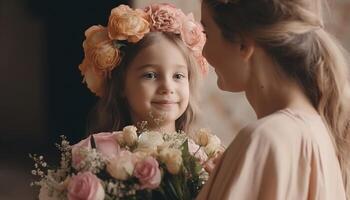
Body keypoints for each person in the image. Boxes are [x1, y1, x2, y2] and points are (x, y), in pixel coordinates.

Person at [197, 0, 350, 199]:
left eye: (206, 33)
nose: (203, 51)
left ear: (244, 44)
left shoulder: (265, 140)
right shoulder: (320, 132)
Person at [77, 3, 208, 135]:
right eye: (150, 75)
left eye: (178, 76)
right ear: (122, 84)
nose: (168, 87)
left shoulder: (204, 154)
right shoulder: (97, 152)